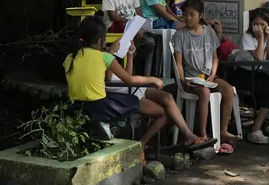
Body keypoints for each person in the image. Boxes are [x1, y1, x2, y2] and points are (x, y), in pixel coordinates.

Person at [65, 17, 209, 155]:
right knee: (160, 109)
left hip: (78, 105)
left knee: (166, 101)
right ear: (100, 41)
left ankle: (183, 136)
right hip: (104, 103)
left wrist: (129, 55)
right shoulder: (104, 57)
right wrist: (152, 79)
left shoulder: (69, 58)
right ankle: (141, 145)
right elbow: (129, 80)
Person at [173, 0, 238, 152]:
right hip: (191, 78)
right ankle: (202, 134)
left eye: (192, 15)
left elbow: (215, 58)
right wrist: (182, 80)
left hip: (208, 77)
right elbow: (179, 63)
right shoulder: (180, 35)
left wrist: (212, 75)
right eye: (185, 15)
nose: (187, 18)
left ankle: (223, 130)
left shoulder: (208, 32)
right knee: (204, 92)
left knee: (228, 90)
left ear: (201, 15)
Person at [230, 8, 269, 144]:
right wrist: (260, 38)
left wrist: (268, 38)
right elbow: (258, 57)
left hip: (258, 73)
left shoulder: (268, 36)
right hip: (244, 74)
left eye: (262, 24)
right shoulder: (247, 37)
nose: (258, 27)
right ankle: (255, 130)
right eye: (256, 24)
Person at [101, 0, 156, 74]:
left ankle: (132, 64)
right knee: (137, 34)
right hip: (114, 26)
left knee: (150, 43)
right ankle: (125, 67)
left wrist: (140, 24)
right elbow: (113, 17)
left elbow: (139, 13)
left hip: (131, 25)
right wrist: (132, 24)